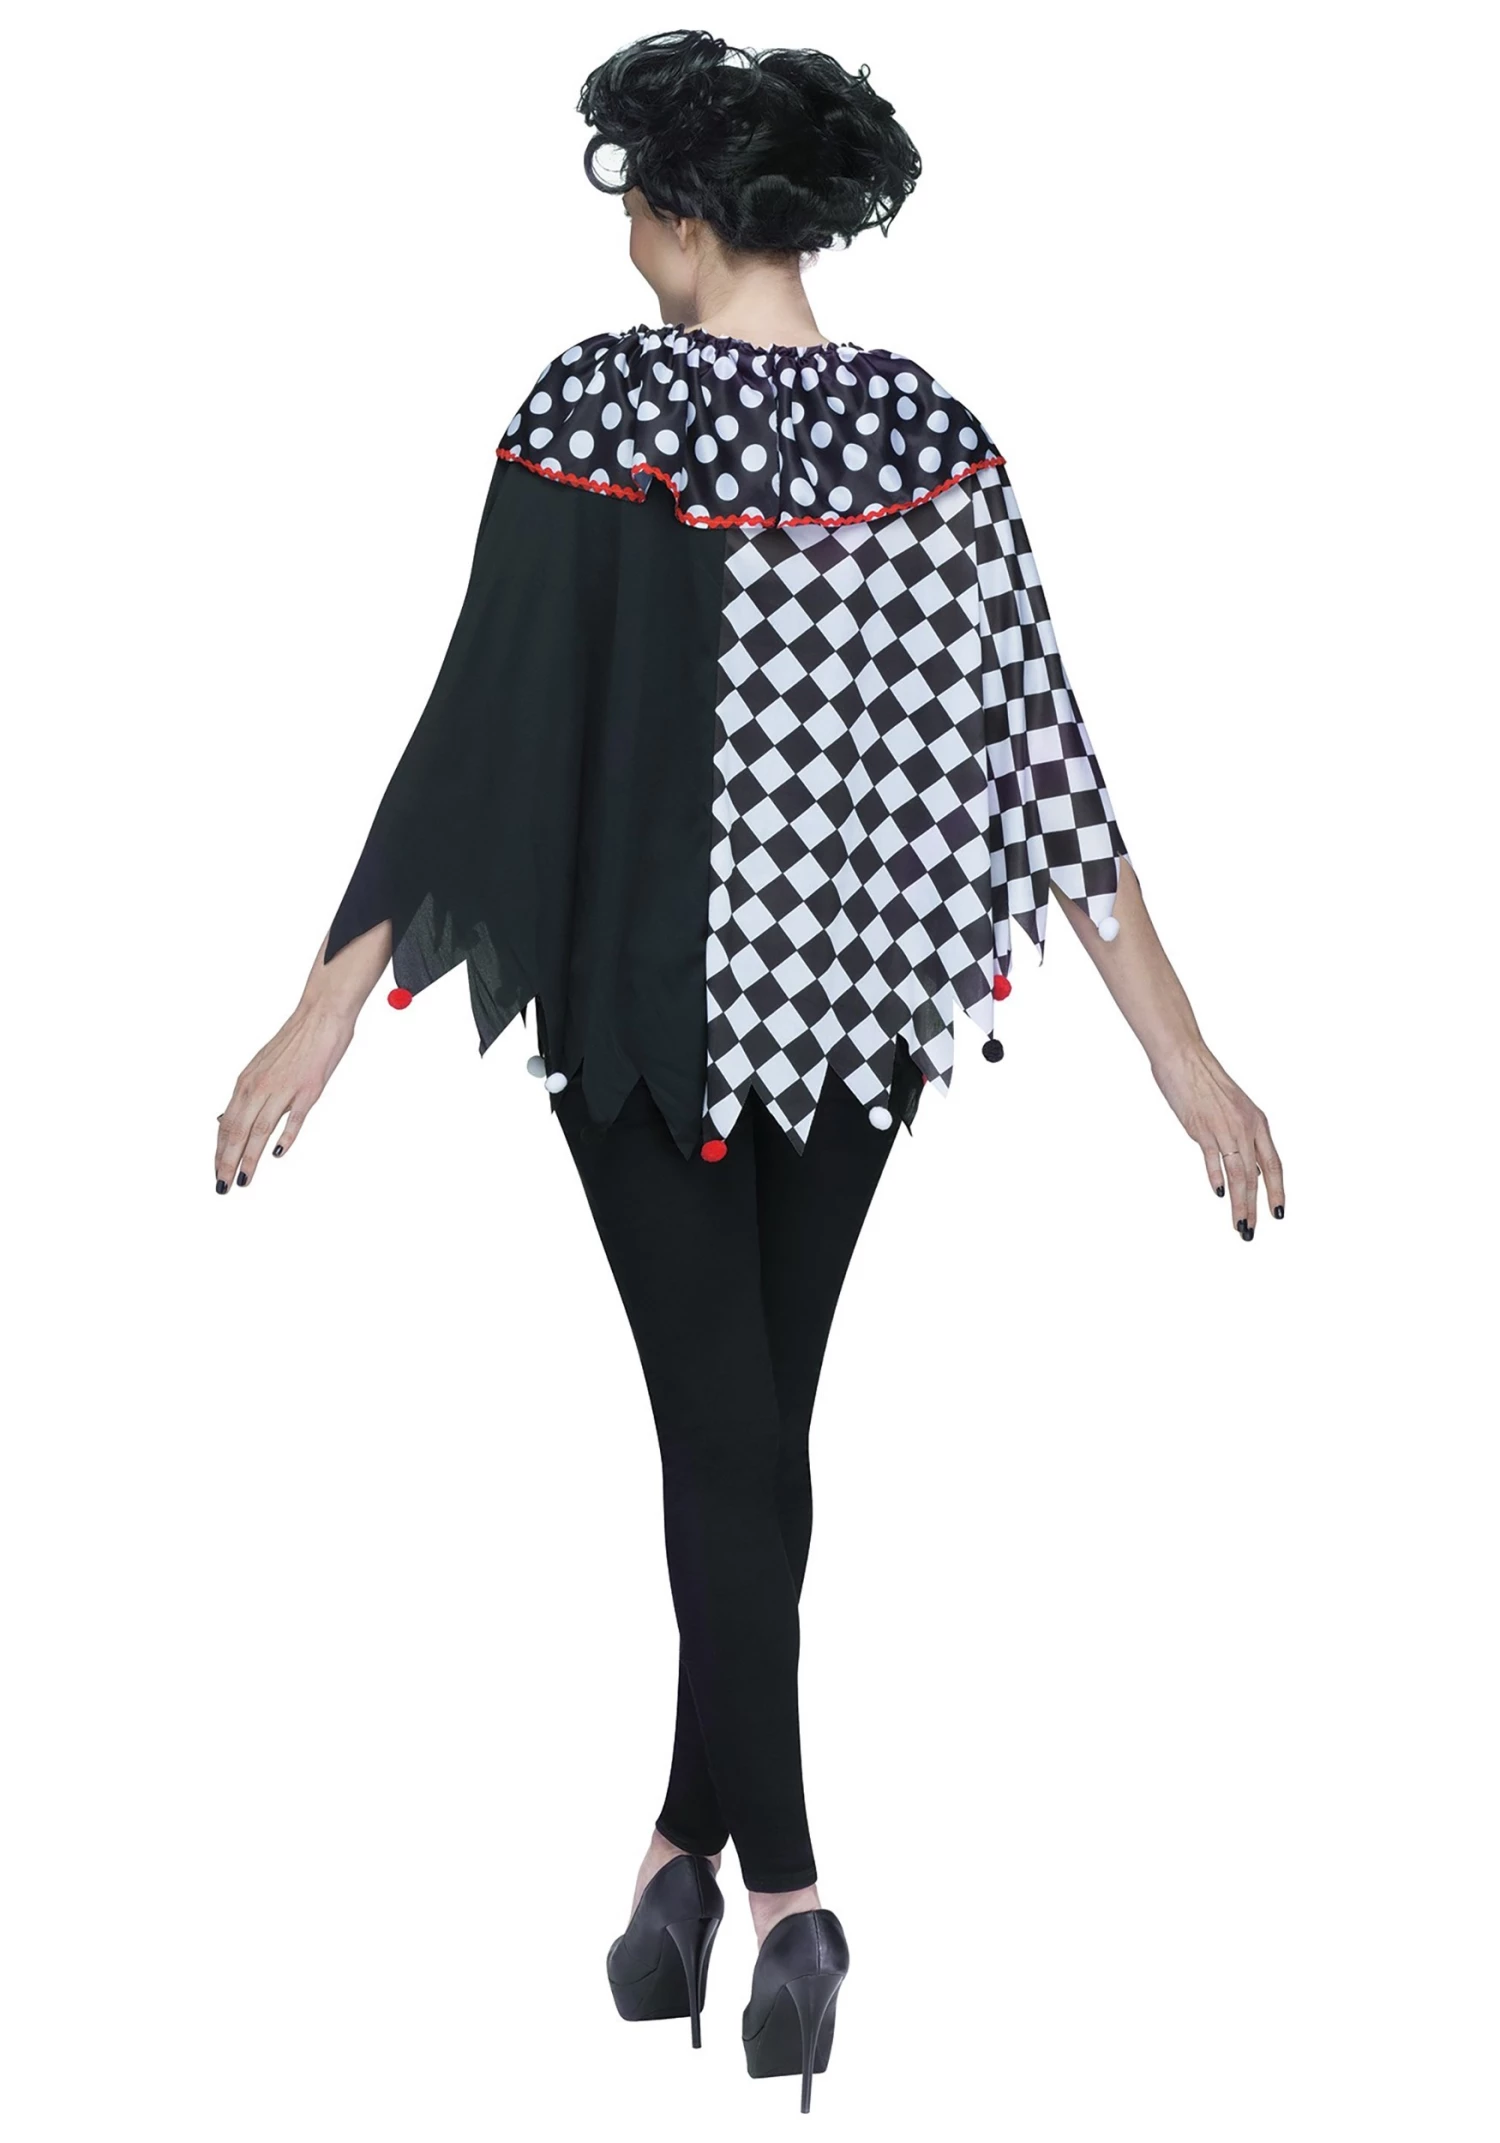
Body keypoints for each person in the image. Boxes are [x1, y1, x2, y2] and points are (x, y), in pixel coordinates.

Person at [213, 28, 1285, 2115]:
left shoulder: (595, 409)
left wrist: (322, 1007)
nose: (625, 235)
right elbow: (1048, 762)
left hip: (651, 1019)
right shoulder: (930, 435)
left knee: (730, 1440)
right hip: (855, 1019)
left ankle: (767, 1885)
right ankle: (689, 1860)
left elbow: (478, 721)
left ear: (689, 216)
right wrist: (1183, 1053)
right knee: (750, 1437)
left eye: (635, 199)